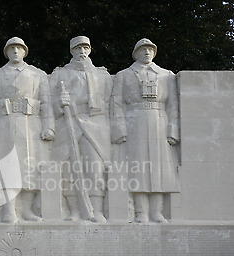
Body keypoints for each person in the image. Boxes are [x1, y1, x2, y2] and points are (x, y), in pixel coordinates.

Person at [0, 37, 55, 223]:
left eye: (19, 48)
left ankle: (27, 210)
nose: (15, 51)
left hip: (30, 125)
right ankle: (9, 210)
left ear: (24, 51)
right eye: (11, 48)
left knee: (29, 167)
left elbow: (46, 102)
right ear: (6, 52)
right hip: (4, 124)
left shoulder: (38, 74)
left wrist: (49, 127)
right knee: (7, 167)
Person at [110, 38, 180, 223]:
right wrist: (119, 128)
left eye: (150, 49)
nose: (147, 52)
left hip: (159, 121)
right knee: (137, 168)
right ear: (136, 53)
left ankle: (157, 212)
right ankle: (140, 212)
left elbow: (173, 104)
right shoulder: (124, 75)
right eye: (143, 49)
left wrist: (173, 130)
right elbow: (116, 103)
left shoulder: (167, 75)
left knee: (159, 168)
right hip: (135, 121)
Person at [50, 36, 113, 223]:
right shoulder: (60, 74)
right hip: (69, 121)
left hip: (95, 122)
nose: (82, 51)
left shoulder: (103, 75)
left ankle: (98, 210)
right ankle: (75, 210)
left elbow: (110, 102)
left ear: (90, 50)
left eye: (85, 47)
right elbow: (50, 103)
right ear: (72, 51)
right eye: (78, 48)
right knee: (69, 169)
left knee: (95, 167)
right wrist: (60, 103)